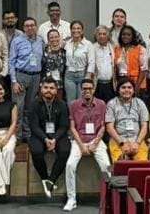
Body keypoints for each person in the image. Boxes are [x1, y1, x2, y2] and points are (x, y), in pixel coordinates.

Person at [64, 78, 109, 212]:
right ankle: (71, 199)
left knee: (106, 166)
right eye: (84, 88)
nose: (87, 91)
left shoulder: (101, 104)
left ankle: (107, 198)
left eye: (90, 88)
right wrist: (81, 145)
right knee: (70, 165)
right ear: (81, 90)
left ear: (94, 89)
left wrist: (95, 143)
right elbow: (72, 128)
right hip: (79, 140)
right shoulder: (74, 105)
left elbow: (103, 127)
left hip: (96, 140)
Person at [29, 76, 71, 198]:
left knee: (65, 151)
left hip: (58, 135)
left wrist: (54, 139)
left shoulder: (62, 104)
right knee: (36, 151)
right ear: (41, 89)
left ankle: (51, 180)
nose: (48, 90)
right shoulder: (34, 104)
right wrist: (45, 139)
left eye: (52, 88)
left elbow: (64, 126)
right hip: (40, 135)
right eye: (46, 87)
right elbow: (34, 126)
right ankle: (44, 178)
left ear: (56, 90)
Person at [9, 18, 43, 139]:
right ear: (23, 28)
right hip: (21, 76)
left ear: (36, 27)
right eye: (27, 26)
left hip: (36, 77)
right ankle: (17, 135)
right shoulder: (17, 41)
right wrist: (14, 81)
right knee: (18, 107)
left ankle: (27, 134)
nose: (30, 28)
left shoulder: (41, 41)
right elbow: (11, 62)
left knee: (30, 107)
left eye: (32, 25)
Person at [105, 78, 149, 163]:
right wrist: (122, 144)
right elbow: (109, 128)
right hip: (118, 140)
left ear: (133, 90)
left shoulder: (140, 103)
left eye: (129, 87)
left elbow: (144, 126)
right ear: (118, 90)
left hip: (137, 139)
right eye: (123, 87)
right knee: (121, 165)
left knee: (142, 166)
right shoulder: (112, 104)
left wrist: (137, 143)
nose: (126, 90)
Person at [64, 21, 92, 103]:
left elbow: (91, 62)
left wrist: (88, 76)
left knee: (82, 101)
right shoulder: (66, 43)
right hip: (69, 75)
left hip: (82, 75)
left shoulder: (88, 44)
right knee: (71, 101)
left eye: (78, 28)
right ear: (70, 30)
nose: (76, 30)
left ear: (82, 31)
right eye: (73, 28)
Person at [113, 25, 146, 93]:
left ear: (133, 36)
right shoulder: (117, 49)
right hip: (120, 80)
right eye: (123, 34)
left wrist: (137, 86)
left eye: (128, 35)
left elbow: (143, 70)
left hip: (135, 81)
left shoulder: (140, 49)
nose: (126, 36)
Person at [91, 26, 116, 102]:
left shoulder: (113, 47)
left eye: (104, 34)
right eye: (99, 34)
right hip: (97, 84)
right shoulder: (91, 48)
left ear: (108, 36)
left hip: (110, 84)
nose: (102, 36)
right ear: (96, 36)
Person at [42, 29, 68, 93]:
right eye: (51, 37)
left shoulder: (64, 52)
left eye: (56, 37)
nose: (54, 39)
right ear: (48, 39)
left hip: (59, 85)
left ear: (59, 38)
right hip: (45, 85)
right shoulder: (43, 52)